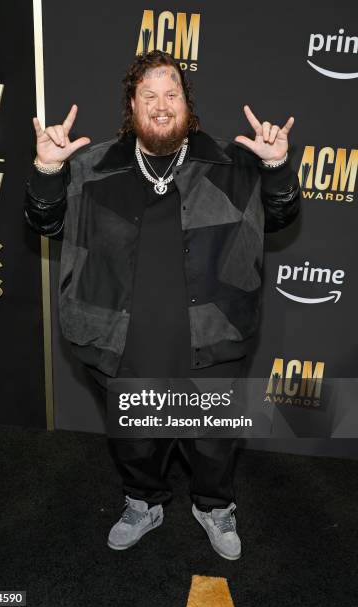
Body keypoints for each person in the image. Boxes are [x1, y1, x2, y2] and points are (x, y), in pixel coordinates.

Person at [24, 50, 300, 561]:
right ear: (132, 104)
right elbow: (45, 224)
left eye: (171, 93)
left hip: (213, 336)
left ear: (186, 104)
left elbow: (280, 215)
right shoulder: (90, 166)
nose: (161, 104)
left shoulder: (230, 162)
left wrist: (276, 165)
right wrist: (46, 168)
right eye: (148, 95)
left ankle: (214, 506)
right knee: (135, 443)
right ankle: (142, 502)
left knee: (214, 442)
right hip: (119, 339)